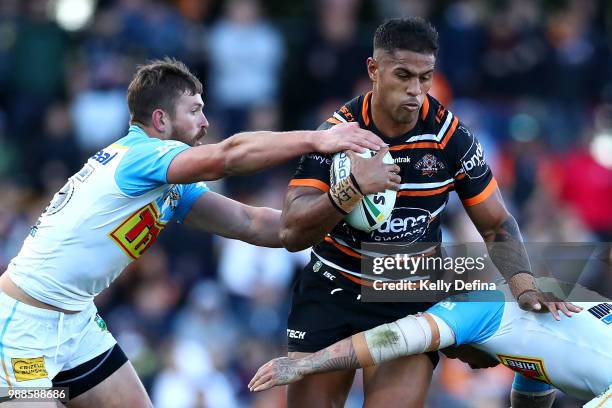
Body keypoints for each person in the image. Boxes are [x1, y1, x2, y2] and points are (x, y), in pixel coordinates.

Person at [0, 58, 390, 407]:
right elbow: (228, 156)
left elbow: (254, 224)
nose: (205, 123)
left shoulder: (170, 183)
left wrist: (341, 204)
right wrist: (318, 139)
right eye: (195, 111)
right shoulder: (141, 156)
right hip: (24, 327)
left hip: (78, 323)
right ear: (160, 121)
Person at [279, 17, 575, 407]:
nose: (416, 91)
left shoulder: (451, 136)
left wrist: (524, 286)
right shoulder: (336, 133)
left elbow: (497, 223)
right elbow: (290, 233)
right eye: (403, 75)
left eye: (425, 77)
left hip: (404, 287)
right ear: (374, 70)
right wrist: (350, 191)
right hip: (333, 282)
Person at [249, 281, 611, 407]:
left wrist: (306, 364)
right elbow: (534, 381)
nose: (462, 363)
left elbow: (393, 339)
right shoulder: (538, 314)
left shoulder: (477, 304)